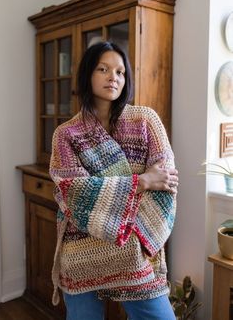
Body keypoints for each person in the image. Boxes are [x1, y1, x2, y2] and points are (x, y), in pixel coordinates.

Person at [49, 41, 179, 320]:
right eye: (103, 69)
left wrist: (136, 240)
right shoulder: (65, 133)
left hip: (133, 251)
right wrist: (142, 181)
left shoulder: (146, 120)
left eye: (120, 72)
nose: (113, 77)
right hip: (81, 251)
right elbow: (73, 192)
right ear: (87, 74)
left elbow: (167, 185)